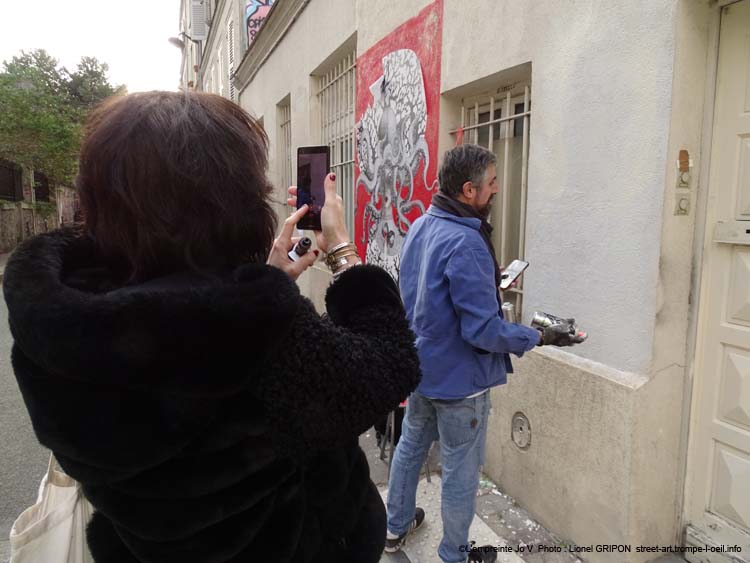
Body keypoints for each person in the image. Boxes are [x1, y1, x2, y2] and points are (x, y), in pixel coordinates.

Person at [3, 91, 421, 563]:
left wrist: (262, 286)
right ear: (229, 203)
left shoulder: (59, 325)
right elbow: (388, 364)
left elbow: (179, 319)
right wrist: (343, 250)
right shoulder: (263, 338)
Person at [385, 144, 583, 563]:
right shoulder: (467, 242)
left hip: (420, 369)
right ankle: (455, 553)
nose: (496, 189)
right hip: (460, 385)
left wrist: (488, 290)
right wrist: (538, 337)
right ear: (469, 189)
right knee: (460, 469)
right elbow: (483, 332)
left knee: (410, 447)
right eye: (492, 183)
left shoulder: (422, 224)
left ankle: (394, 527)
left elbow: (421, 295)